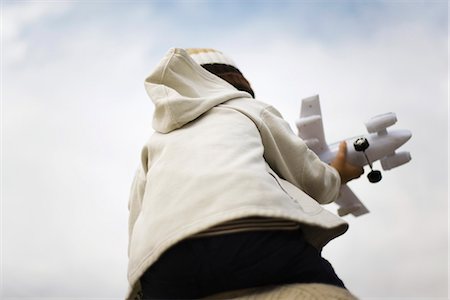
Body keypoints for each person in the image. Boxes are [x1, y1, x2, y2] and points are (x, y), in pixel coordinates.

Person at [126, 48, 363, 300]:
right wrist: (337, 175)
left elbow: (136, 215)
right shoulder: (246, 108)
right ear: (231, 80)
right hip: (249, 238)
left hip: (163, 268)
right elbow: (309, 178)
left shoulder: (155, 142)